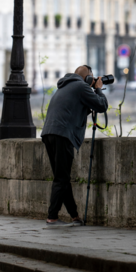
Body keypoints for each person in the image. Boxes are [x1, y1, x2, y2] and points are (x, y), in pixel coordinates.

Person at [40, 65, 108, 227]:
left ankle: (75, 216)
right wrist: (98, 89)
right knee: (61, 178)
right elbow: (102, 106)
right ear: (88, 78)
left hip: (49, 133)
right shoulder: (81, 86)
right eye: (91, 78)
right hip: (62, 135)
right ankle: (52, 217)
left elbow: (76, 110)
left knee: (62, 177)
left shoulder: (65, 86)